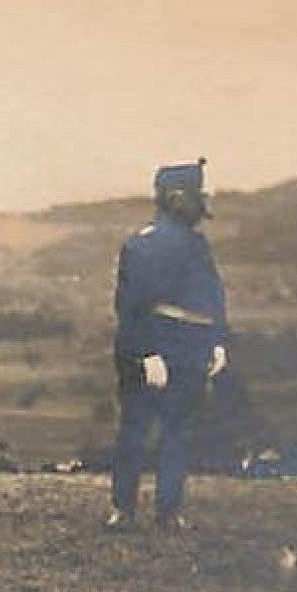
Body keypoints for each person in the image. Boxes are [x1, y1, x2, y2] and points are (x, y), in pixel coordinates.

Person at [106, 158, 229, 533]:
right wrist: (148, 354)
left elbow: (212, 297)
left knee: (179, 431)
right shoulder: (142, 245)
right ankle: (123, 509)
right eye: (195, 196)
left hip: (191, 351)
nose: (201, 204)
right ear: (176, 199)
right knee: (135, 429)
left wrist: (217, 343)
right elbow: (130, 307)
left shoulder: (198, 245)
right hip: (150, 351)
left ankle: (169, 511)